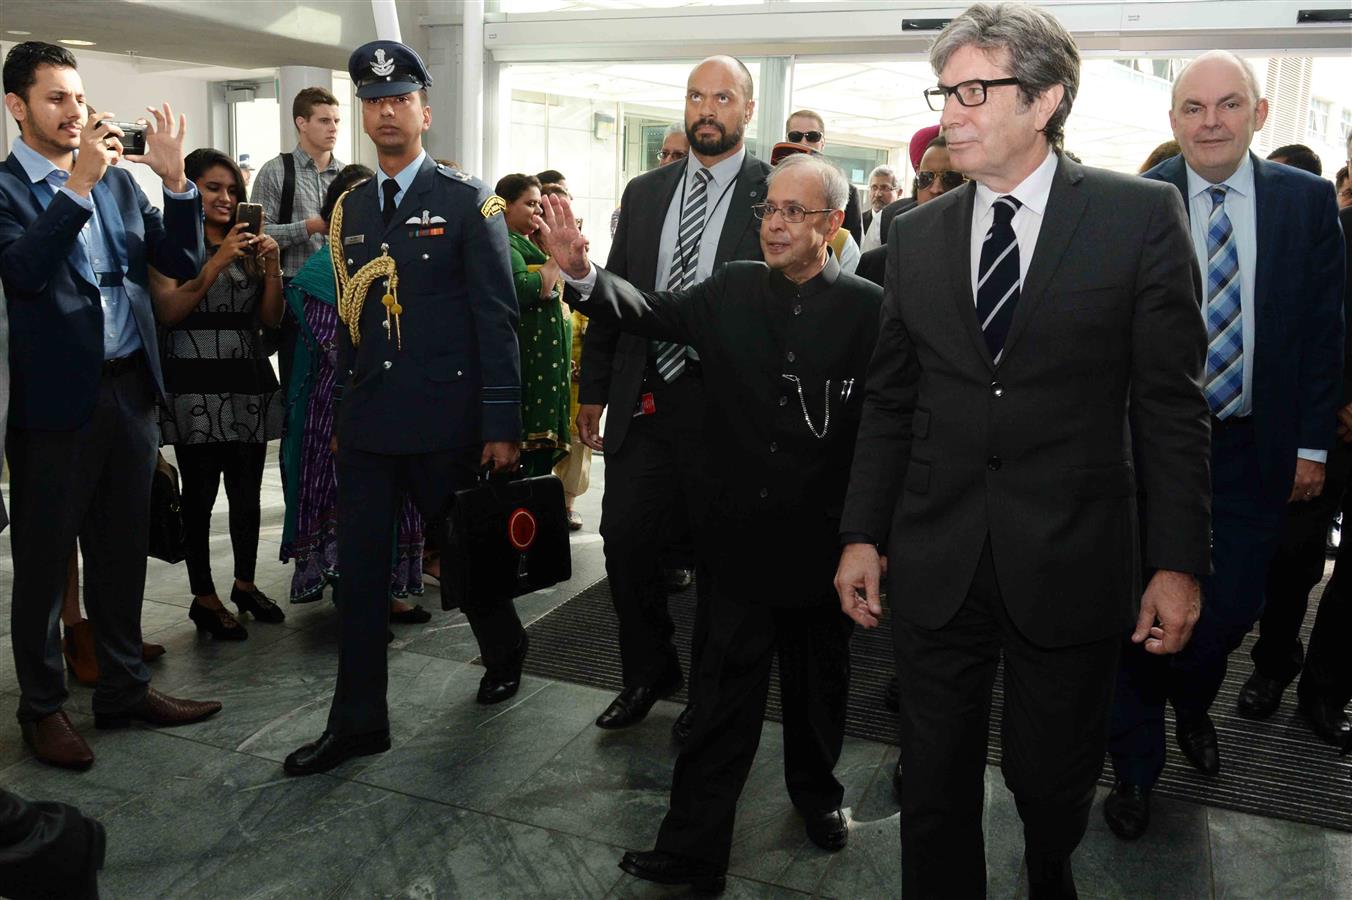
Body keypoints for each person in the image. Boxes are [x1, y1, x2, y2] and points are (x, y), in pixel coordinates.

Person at [833, 6, 1211, 896]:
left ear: (1044, 99)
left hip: (1072, 555)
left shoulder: (1139, 216)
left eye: (973, 91)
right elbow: (891, 399)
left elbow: (1170, 408)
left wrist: (1178, 565)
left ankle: (1051, 877)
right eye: (944, 91)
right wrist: (861, 533)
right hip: (936, 555)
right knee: (931, 785)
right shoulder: (916, 235)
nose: (949, 112)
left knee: (1051, 786)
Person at [540, 151, 882, 895]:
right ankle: (692, 850)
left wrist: (866, 538)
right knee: (718, 701)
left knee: (818, 689)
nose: (776, 223)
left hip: (820, 545)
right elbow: (649, 311)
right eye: (769, 210)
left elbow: (882, 433)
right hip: (733, 543)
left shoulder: (866, 309)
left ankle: (818, 799)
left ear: (833, 223)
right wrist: (583, 278)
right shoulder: (729, 289)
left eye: (796, 212)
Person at [1106, 49, 1345, 840]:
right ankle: (1136, 768)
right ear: (1172, 119)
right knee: (1144, 613)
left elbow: (1321, 330)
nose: (1211, 121)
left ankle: (1192, 705)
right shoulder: (1133, 203)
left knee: (1227, 613)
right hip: (1148, 456)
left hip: (1255, 451)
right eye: (1194, 107)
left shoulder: (1306, 203)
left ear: (1258, 114)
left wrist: (1313, 445)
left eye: (1229, 105)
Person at [283, 40, 525, 777]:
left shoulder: (467, 201)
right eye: (374, 102)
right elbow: (356, 320)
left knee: (464, 554)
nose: (387, 113)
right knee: (359, 578)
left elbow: (496, 316)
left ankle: (505, 647)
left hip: (446, 422)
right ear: (364, 114)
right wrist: (344, 418)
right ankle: (359, 723)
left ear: (424, 109)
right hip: (370, 425)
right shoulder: (352, 207)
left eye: (400, 100)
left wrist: (502, 424)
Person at [0, 41, 222, 771]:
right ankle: (43, 708)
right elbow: (25, 273)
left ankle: (125, 689)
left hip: (129, 391)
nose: (75, 111)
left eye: (78, 96)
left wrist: (176, 186)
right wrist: (75, 189)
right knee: (41, 565)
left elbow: (180, 264)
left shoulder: (123, 185)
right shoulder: (7, 191)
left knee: (122, 552)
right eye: (55, 98)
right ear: (16, 108)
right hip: (53, 405)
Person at [577, 55, 770, 742]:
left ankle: (712, 695)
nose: (706, 109)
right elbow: (615, 296)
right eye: (695, 96)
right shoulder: (647, 189)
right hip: (645, 397)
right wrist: (593, 387)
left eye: (722, 97)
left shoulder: (774, 192)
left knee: (721, 563)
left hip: (727, 412)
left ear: (748, 109)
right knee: (626, 543)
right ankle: (647, 673)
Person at [278, 164, 433, 623]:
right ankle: (353, 596)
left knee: (397, 497)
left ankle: (388, 591)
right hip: (336, 407)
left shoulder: (394, 259)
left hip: (396, 400)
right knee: (347, 502)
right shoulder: (324, 267)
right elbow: (334, 345)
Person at [1239, 131, 1352, 750]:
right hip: (1331, 428)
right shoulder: (1338, 224)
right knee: (1293, 558)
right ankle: (1274, 664)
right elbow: (1322, 329)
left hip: (1320, 429)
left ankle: (1322, 686)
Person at [152, 148, 286, 640]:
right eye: (213, 188)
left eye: (232, 189)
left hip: (246, 378)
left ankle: (245, 584)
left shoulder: (250, 246)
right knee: (200, 497)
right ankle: (203, 596)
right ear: (190, 190)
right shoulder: (168, 245)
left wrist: (269, 266)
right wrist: (217, 260)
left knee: (247, 493)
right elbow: (170, 313)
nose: (226, 198)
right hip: (193, 383)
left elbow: (270, 320)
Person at [251, 86, 344, 394]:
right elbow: (257, 235)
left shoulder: (347, 175)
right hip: (294, 292)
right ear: (301, 123)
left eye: (336, 121)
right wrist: (311, 226)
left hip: (337, 292)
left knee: (337, 380)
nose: (333, 128)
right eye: (324, 120)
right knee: (298, 379)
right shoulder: (276, 172)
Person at [499, 172, 571, 477]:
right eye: (530, 204)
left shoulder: (527, 244)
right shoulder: (502, 242)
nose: (537, 212)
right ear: (505, 205)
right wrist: (556, 257)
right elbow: (524, 289)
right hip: (524, 363)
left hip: (546, 366)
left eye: (538, 206)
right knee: (521, 469)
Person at [856, 134, 961, 288]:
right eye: (926, 177)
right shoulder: (878, 262)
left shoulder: (980, 253)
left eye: (950, 179)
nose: (936, 188)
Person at [783, 109, 862, 242]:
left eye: (812, 136)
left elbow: (850, 250)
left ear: (823, 142)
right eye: (795, 136)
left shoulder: (848, 193)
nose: (803, 142)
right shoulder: (769, 185)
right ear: (787, 140)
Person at [860, 164, 898, 251]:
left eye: (885, 188)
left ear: (899, 192)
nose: (878, 194)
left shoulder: (902, 223)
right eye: (874, 187)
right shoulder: (859, 222)